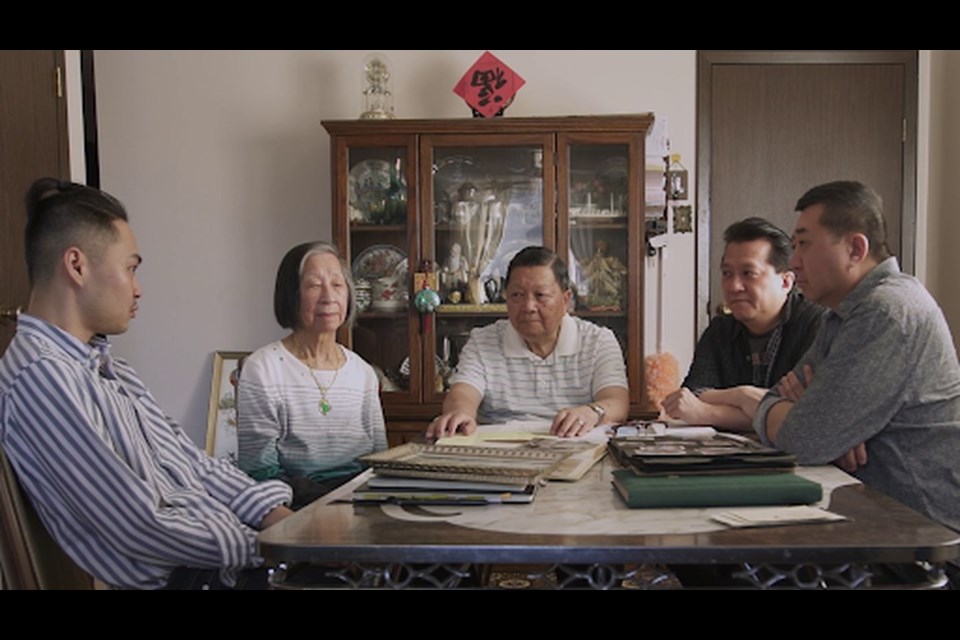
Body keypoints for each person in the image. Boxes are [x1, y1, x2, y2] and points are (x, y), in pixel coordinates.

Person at [0, 178, 293, 589]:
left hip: (220, 559)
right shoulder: (42, 376)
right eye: (130, 268)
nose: (137, 290)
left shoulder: (108, 369)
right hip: (194, 577)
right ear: (77, 266)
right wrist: (268, 546)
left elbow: (191, 462)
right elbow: (137, 521)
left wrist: (276, 519)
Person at [740, 181, 960, 540]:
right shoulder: (841, 315)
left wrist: (821, 424)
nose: (793, 261)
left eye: (804, 244)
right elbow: (777, 401)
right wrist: (824, 424)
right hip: (871, 519)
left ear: (856, 248)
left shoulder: (887, 311)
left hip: (922, 538)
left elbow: (804, 439)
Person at [237, 241, 387, 510]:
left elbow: (379, 461)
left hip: (362, 503)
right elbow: (260, 472)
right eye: (314, 285)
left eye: (337, 284)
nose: (329, 297)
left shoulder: (363, 373)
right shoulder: (262, 370)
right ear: (290, 296)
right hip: (296, 504)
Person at [427, 246, 629, 439]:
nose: (528, 306)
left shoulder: (598, 341)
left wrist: (592, 412)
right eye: (517, 295)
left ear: (566, 300)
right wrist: (460, 414)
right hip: (500, 453)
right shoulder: (483, 341)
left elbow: (618, 402)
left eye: (540, 296)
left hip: (576, 446)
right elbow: (463, 393)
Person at [662, 217, 824, 429]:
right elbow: (693, 395)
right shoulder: (721, 329)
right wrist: (743, 396)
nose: (734, 286)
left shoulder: (817, 324)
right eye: (727, 274)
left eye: (749, 273)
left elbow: (806, 416)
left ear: (785, 282)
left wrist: (708, 413)